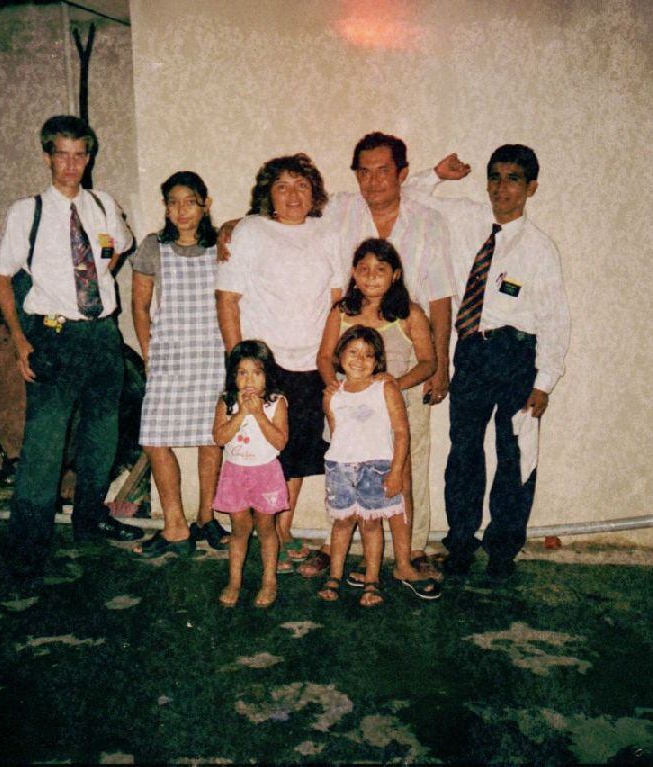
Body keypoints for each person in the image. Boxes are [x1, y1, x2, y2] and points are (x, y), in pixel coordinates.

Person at [221, 133, 453, 579]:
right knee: (350, 452)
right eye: (363, 171)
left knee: (406, 455)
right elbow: (284, 211)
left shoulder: (429, 221)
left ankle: (409, 551)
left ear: (402, 174)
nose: (373, 180)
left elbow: (441, 297)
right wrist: (234, 223)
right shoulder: (341, 212)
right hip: (354, 354)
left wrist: (440, 365)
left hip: (406, 346)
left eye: (383, 170)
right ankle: (344, 546)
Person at [405, 145, 571, 579]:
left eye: (513, 178)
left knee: (513, 454)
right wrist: (435, 174)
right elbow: (409, 198)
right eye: (495, 177)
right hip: (473, 351)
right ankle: (460, 543)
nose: (502, 188)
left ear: (531, 187)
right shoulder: (465, 217)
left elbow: (555, 315)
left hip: (518, 354)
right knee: (463, 452)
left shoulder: (539, 249)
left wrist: (545, 381)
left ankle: (502, 551)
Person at [0, 114, 142, 573]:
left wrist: (99, 280)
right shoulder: (28, 212)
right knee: (46, 442)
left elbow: (119, 246)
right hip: (54, 338)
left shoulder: (102, 204)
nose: (71, 165)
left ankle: (90, 519)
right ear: (47, 157)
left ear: (88, 158)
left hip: (101, 334)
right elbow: (1, 277)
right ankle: (29, 542)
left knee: (102, 433)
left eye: (80, 155)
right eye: (62, 155)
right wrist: (20, 342)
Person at [215, 154, 347, 573]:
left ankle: (281, 531)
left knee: (296, 449)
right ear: (267, 194)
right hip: (263, 364)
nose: (294, 195)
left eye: (302, 186)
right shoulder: (250, 231)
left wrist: (331, 360)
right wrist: (240, 365)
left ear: (315, 192)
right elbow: (228, 298)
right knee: (259, 449)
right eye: (283, 186)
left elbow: (335, 300)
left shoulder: (328, 233)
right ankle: (264, 531)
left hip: (311, 361)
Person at [316, 238, 442, 600]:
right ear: (354, 274)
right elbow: (325, 357)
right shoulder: (341, 311)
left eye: (381, 270)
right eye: (364, 269)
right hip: (350, 412)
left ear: (395, 274)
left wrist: (389, 388)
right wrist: (335, 393)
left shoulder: (410, 312)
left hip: (396, 407)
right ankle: (361, 564)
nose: (372, 276)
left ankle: (403, 562)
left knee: (398, 484)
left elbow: (428, 361)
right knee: (353, 483)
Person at [131, 171, 228, 558]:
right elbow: (139, 306)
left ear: (205, 205)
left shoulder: (221, 246)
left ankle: (206, 518)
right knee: (154, 439)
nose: (181, 210)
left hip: (212, 352)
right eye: (173, 202)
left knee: (211, 437)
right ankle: (174, 524)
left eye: (190, 201)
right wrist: (147, 351)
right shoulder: (154, 247)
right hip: (168, 353)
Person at [316, 326, 409, 608]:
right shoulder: (333, 393)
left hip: (376, 467)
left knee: (371, 524)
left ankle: (372, 581)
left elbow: (402, 432)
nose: (360, 359)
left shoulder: (386, 387)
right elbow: (336, 432)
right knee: (342, 522)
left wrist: (395, 472)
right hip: (341, 467)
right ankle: (334, 577)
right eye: (353, 352)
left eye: (369, 355)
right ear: (340, 356)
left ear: (378, 360)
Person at [211, 340, 289, 608]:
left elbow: (280, 442)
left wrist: (258, 416)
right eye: (242, 373)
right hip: (235, 474)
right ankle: (235, 580)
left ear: (267, 375)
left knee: (267, 527)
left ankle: (269, 579)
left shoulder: (276, 403)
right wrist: (241, 413)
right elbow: (219, 437)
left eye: (256, 372)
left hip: (265, 474)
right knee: (239, 529)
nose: (249, 380)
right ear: (233, 375)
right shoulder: (227, 402)